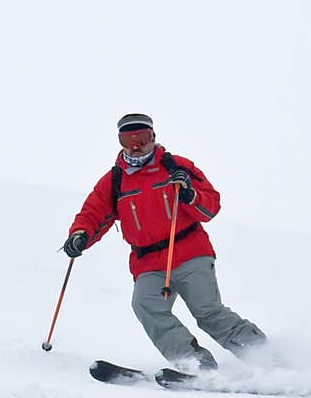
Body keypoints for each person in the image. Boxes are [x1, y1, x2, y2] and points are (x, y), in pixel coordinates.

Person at [62, 113, 268, 371]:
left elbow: (210, 207)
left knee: (208, 312)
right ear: (120, 142)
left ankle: (265, 358)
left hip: (190, 252)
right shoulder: (115, 180)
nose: (136, 145)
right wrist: (80, 235)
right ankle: (196, 364)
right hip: (147, 262)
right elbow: (93, 213)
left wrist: (190, 195)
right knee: (145, 304)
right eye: (128, 139)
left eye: (143, 138)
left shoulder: (177, 167)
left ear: (154, 137)